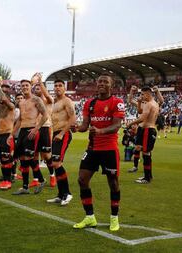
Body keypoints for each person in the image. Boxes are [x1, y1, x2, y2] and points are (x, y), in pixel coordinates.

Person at [72, 73, 125, 231]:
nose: (101, 84)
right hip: (92, 148)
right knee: (82, 180)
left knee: (113, 183)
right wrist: (76, 128)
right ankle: (90, 217)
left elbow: (117, 126)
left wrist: (100, 131)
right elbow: (85, 125)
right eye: (99, 81)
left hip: (109, 149)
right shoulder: (90, 103)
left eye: (105, 82)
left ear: (111, 85)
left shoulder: (117, 102)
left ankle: (114, 218)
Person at [12, 79, 48, 195]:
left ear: (31, 86)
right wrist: (12, 134)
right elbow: (20, 120)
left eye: (27, 85)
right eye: (22, 86)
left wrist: (37, 128)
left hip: (32, 130)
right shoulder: (21, 102)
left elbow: (45, 115)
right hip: (22, 131)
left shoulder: (36, 99)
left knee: (29, 159)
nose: (25, 87)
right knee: (22, 159)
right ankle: (26, 187)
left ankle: (38, 182)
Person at [45, 80, 76, 206]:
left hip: (63, 134)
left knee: (57, 163)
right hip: (56, 134)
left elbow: (72, 118)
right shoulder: (55, 103)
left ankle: (67, 193)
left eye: (60, 86)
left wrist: (62, 133)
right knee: (54, 163)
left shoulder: (67, 101)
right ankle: (60, 194)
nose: (57, 88)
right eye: (56, 86)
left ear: (64, 88)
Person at [126, 86, 159, 184]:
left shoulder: (149, 104)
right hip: (149, 129)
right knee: (143, 151)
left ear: (148, 94)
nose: (141, 96)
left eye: (143, 94)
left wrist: (130, 124)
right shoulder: (154, 103)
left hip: (147, 130)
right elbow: (139, 110)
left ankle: (146, 178)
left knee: (145, 154)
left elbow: (142, 118)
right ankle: (148, 175)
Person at [32, 73, 55, 188]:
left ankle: (52, 176)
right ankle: (36, 179)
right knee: (34, 155)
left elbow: (46, 94)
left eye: (39, 88)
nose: (38, 89)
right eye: (36, 88)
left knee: (46, 155)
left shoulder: (49, 100)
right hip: (33, 129)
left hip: (45, 128)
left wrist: (40, 82)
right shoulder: (33, 101)